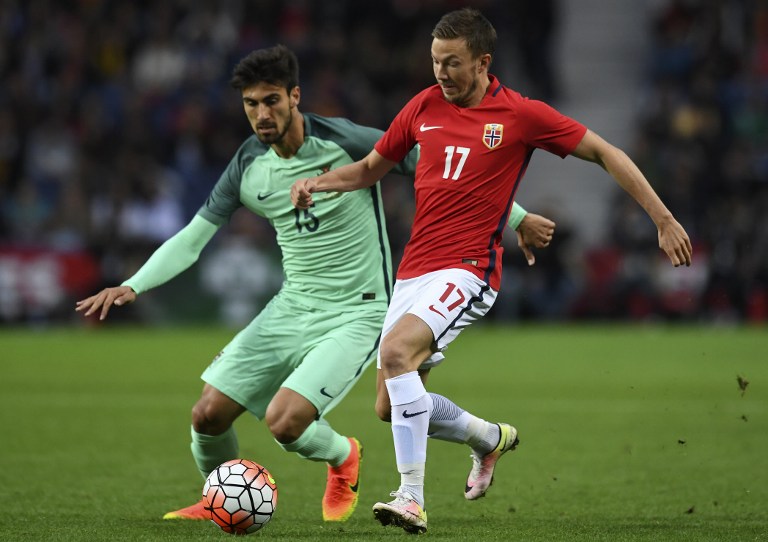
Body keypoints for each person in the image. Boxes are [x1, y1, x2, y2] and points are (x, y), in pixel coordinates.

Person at [75, 44, 556, 524]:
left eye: (271, 101)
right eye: (251, 104)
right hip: (292, 304)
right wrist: (133, 285)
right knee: (207, 415)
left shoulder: (344, 140)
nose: (262, 114)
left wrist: (516, 217)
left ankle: (344, 456)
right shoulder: (248, 166)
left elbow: (446, 173)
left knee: (286, 422)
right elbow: (194, 238)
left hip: (359, 311)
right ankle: (220, 501)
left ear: (294, 96)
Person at [291, 8, 693, 534]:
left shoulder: (520, 115)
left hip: (469, 270)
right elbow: (371, 168)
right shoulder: (422, 107)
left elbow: (604, 151)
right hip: (414, 272)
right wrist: (318, 182)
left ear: (483, 62)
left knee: (394, 355)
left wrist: (662, 220)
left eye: (452, 63)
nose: (440, 73)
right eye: (435, 61)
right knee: (390, 407)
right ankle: (487, 438)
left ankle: (411, 497)